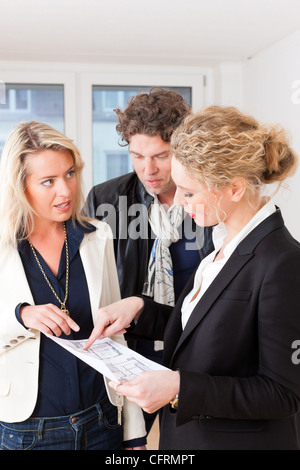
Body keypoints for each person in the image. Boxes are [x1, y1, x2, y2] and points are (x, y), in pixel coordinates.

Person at [84, 106, 300, 450]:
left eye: (190, 192)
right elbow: (209, 330)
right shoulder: (220, 244)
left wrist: (178, 386)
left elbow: (284, 393)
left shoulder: (283, 262)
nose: (180, 203)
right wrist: (140, 309)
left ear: (233, 189)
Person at [0, 121, 146, 450]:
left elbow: (115, 334)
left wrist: (133, 427)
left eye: (69, 173)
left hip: (102, 419)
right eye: (48, 181)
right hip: (28, 430)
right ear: (20, 186)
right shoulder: (3, 246)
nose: (65, 190)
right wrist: (22, 315)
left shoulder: (97, 237)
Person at [86, 88, 213, 432]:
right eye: (137, 156)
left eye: (161, 155)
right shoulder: (106, 198)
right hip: (130, 350)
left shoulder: (210, 199)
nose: (149, 169)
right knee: (125, 443)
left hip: (196, 352)